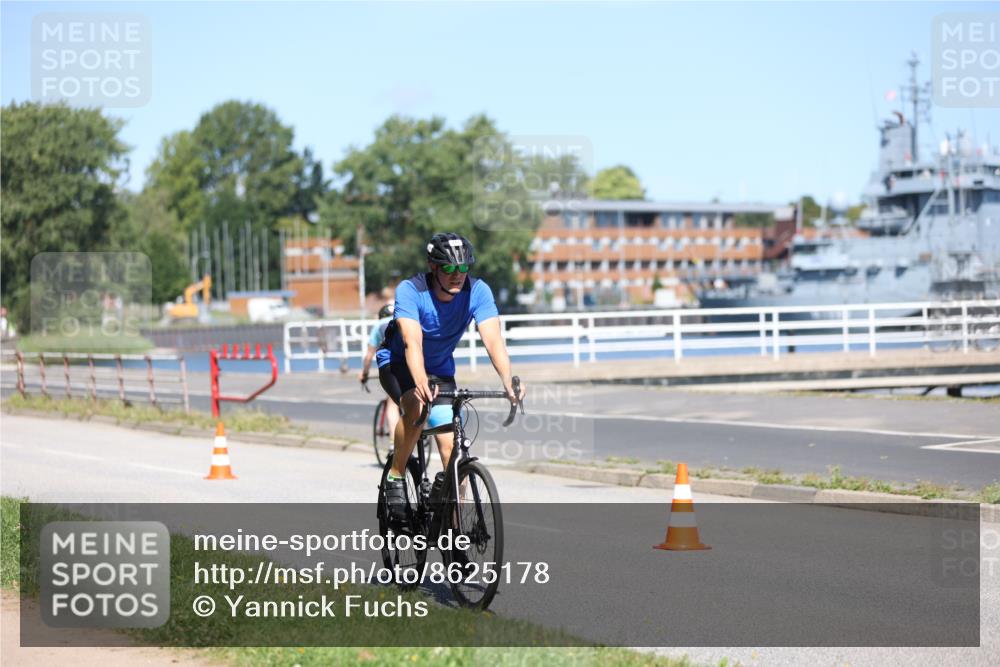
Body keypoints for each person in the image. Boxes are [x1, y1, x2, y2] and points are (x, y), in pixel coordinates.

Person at [377, 232, 525, 521]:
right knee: (417, 408)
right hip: (398, 364)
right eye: (448, 268)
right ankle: (396, 476)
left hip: (441, 371)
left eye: (463, 268)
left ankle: (454, 536)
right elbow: (412, 341)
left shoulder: (479, 291)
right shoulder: (411, 290)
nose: (457, 275)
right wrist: (419, 379)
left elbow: (493, 340)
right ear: (433, 268)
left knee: (451, 450)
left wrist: (508, 379)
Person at [360, 303, 399, 439]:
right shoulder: (402, 319)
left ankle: (394, 444)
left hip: (391, 365)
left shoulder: (378, 326)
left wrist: (364, 374)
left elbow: (369, 356)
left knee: (392, 402)